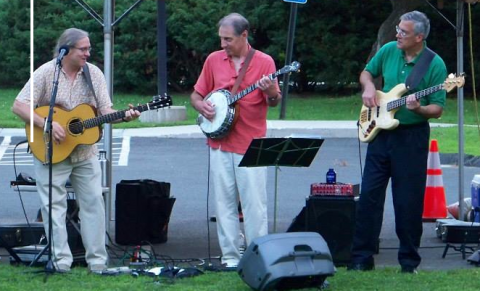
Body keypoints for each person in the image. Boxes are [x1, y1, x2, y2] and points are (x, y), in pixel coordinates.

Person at [12, 28, 140, 273]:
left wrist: (124, 117)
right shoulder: (46, 72)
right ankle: (61, 263)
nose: (88, 53)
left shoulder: (94, 74)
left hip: (85, 153)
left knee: (93, 204)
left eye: (89, 48)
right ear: (66, 50)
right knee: (53, 206)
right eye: (83, 49)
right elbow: (19, 105)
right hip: (49, 150)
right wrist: (47, 124)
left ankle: (98, 263)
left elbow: (104, 111)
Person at [348, 11, 447, 273]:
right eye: (398, 30)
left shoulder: (435, 64)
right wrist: (368, 87)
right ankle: (361, 258)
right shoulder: (390, 49)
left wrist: (418, 109)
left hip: (411, 137)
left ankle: (408, 262)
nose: (397, 34)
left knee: (408, 200)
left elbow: (437, 108)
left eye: (403, 32)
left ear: (419, 36)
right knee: (369, 195)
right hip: (381, 133)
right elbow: (366, 73)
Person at [191, 13, 281, 269]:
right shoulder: (213, 60)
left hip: (252, 142)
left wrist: (271, 91)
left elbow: (274, 101)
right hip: (219, 142)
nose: (223, 45)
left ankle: (257, 256)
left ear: (244, 35)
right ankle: (230, 257)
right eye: (221, 39)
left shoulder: (265, 62)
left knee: (255, 205)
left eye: (228, 39)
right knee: (224, 203)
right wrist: (202, 107)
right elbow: (196, 95)